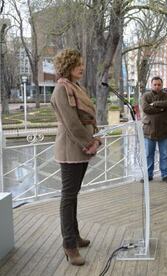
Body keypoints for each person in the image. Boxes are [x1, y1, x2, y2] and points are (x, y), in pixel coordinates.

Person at [51, 49, 101, 266]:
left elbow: (88, 116)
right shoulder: (62, 89)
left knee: (73, 195)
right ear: (68, 65)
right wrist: (89, 142)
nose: (82, 67)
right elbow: (72, 123)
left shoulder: (75, 86)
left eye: (82, 64)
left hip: (80, 148)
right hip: (71, 149)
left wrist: (96, 137)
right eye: (78, 64)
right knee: (68, 197)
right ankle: (69, 245)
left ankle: (75, 236)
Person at [141, 76, 167, 183]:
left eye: (159, 84)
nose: (157, 86)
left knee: (164, 154)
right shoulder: (145, 96)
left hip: (164, 129)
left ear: (162, 85)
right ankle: (148, 175)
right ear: (151, 85)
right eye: (155, 84)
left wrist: (154, 104)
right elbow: (146, 109)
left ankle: (165, 174)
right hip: (149, 129)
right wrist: (162, 109)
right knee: (148, 154)